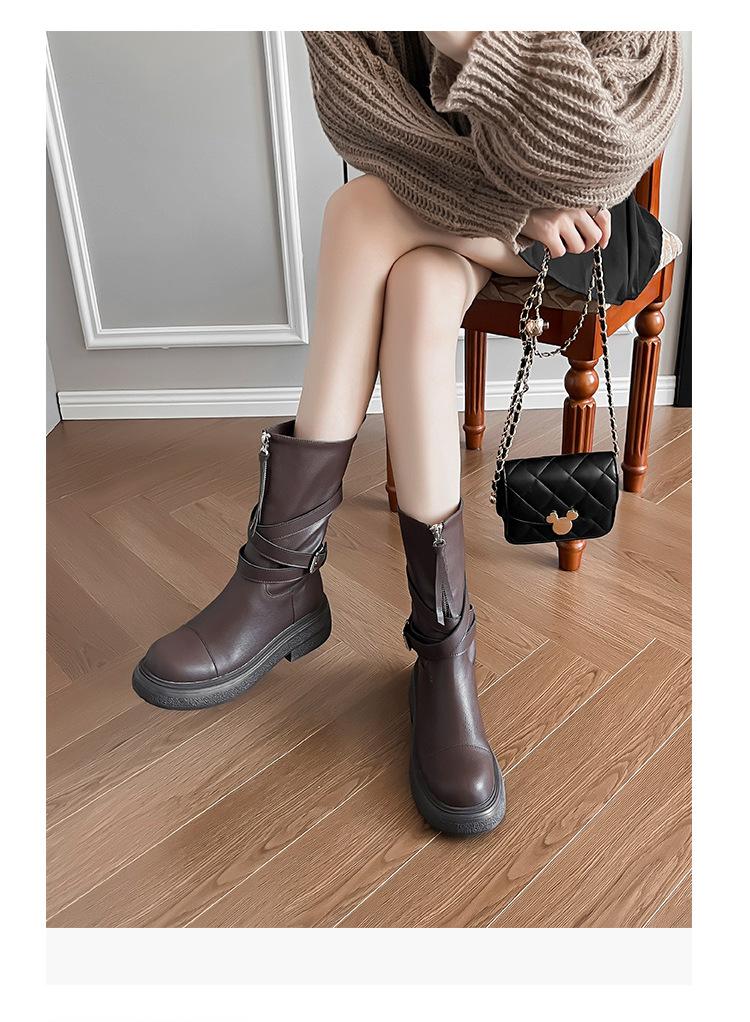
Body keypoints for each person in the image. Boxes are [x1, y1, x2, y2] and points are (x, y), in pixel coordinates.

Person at [132, 31, 683, 836]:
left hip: (584, 226)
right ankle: (441, 648)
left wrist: (470, 38)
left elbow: (605, 155)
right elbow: (366, 130)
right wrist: (504, 205)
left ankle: (279, 576)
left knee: (357, 210)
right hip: (458, 210)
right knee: (419, 286)